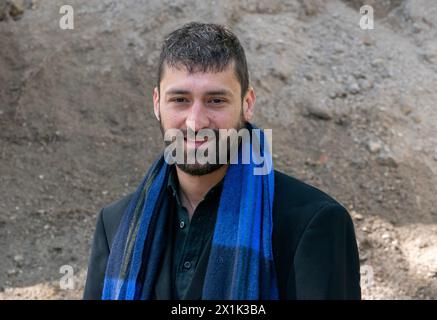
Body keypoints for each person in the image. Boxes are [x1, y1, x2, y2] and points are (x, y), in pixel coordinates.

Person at [83, 22, 361, 300]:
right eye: (179, 99)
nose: (195, 122)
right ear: (157, 104)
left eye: (215, 101)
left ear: (247, 103)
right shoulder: (115, 224)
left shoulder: (313, 223)